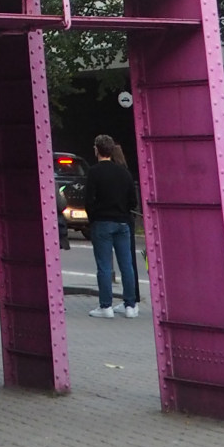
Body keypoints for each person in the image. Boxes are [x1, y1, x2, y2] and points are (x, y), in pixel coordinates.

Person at [82, 134, 140, 318]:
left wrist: (93, 218)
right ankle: (130, 305)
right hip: (123, 222)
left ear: (97, 150)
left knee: (104, 266)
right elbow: (133, 200)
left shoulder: (94, 172)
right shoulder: (124, 172)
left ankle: (105, 306)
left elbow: (88, 200)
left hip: (102, 222)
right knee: (127, 265)